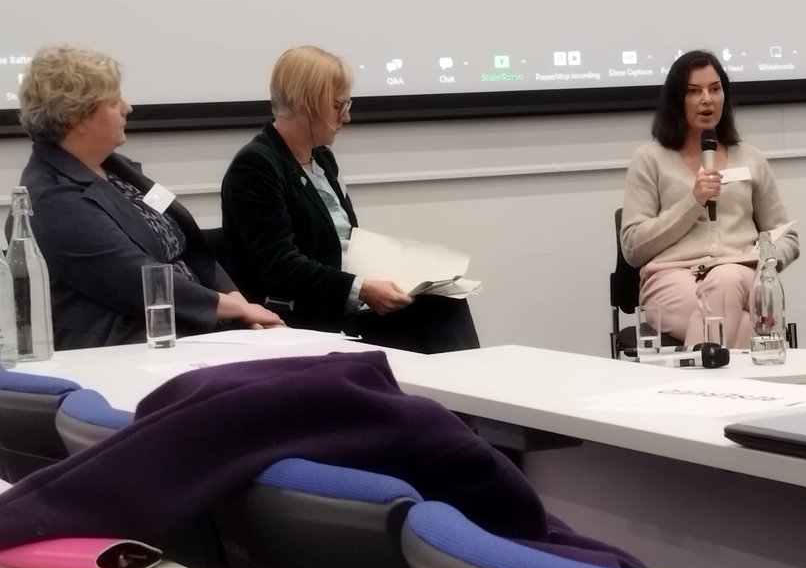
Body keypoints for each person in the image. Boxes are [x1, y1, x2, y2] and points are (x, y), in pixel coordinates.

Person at [17, 46, 283, 349]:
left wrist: (233, 297)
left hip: (195, 332)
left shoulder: (121, 171)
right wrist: (233, 308)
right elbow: (134, 279)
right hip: (131, 349)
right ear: (77, 117)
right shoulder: (52, 199)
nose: (127, 107)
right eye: (114, 101)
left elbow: (188, 241)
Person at [220, 45, 479, 353]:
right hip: (301, 316)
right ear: (307, 103)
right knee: (438, 316)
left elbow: (345, 240)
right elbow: (280, 265)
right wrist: (361, 288)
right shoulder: (256, 166)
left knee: (444, 303)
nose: (347, 116)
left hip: (341, 305)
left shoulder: (322, 160)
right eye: (338, 105)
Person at [620, 49, 799, 348]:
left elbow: (787, 236)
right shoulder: (649, 159)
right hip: (670, 280)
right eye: (694, 91)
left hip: (740, 276)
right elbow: (634, 248)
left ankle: (690, 389)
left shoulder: (750, 158)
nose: (707, 99)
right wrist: (693, 201)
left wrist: (766, 261)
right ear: (677, 100)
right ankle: (737, 380)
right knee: (742, 324)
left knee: (726, 280)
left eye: (715, 89)